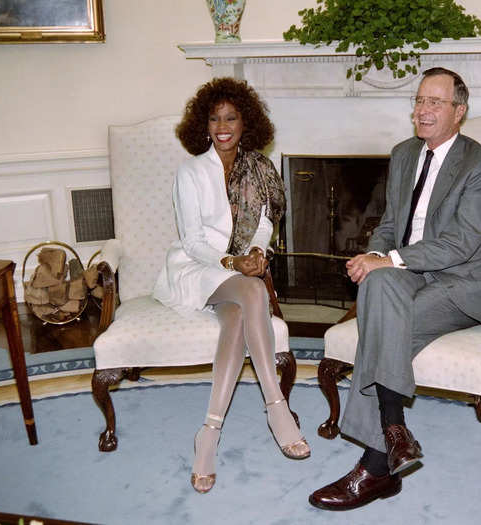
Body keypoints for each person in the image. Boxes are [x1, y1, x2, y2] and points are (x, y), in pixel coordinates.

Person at [309, 68, 481, 510]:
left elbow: (462, 243)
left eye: (435, 103)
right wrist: (371, 258)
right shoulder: (403, 154)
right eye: (419, 100)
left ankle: (377, 462)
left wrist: (389, 260)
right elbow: (389, 226)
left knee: (381, 324)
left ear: (459, 112)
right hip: (414, 272)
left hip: (467, 280)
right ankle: (394, 433)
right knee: (378, 287)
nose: (422, 110)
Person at [153, 77, 310, 494]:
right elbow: (192, 241)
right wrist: (233, 262)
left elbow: (263, 226)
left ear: (246, 123)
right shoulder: (190, 172)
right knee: (252, 290)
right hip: (197, 268)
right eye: (214, 118)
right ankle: (278, 408)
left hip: (237, 273)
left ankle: (208, 432)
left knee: (240, 313)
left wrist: (257, 254)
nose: (223, 126)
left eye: (232, 117)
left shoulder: (258, 168)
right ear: (203, 126)